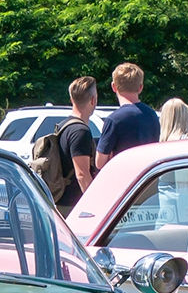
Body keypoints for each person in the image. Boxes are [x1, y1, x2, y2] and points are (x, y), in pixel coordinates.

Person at [95, 63, 158, 169]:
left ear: (114, 87)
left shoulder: (114, 120)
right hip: (148, 178)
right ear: (140, 87)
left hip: (124, 179)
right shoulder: (152, 115)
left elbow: (100, 163)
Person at [58, 77, 98, 210]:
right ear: (93, 100)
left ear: (71, 99)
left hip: (61, 202)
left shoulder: (63, 126)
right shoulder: (80, 131)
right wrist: (95, 205)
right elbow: (82, 175)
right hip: (73, 206)